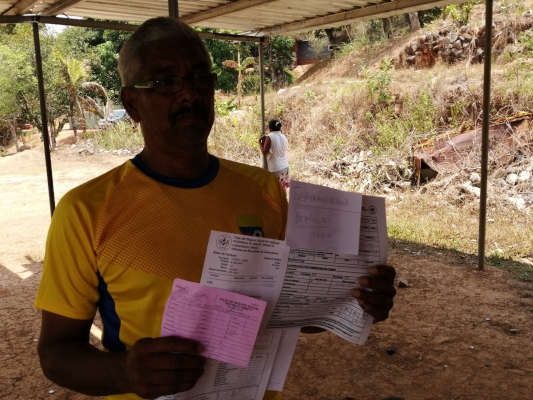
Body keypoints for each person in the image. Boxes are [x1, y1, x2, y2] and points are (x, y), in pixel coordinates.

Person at [34, 17, 397, 400]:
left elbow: (290, 314)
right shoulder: (86, 210)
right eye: (164, 82)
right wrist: (124, 372)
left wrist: (355, 300)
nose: (188, 94)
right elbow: (56, 354)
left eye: (199, 78)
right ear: (132, 104)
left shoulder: (263, 190)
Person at [258, 119, 290, 190]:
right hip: (285, 166)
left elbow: (264, 152)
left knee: (273, 191)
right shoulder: (283, 136)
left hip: (275, 168)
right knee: (282, 190)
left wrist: (259, 142)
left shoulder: (270, 137)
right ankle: (283, 201)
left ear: (270, 128)